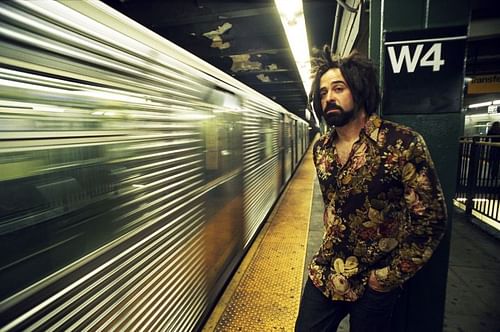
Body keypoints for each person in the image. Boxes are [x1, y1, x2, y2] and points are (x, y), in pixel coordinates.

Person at [295, 46, 448, 332]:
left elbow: (432, 220)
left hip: (375, 280)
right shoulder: (322, 151)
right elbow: (333, 205)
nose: (329, 97)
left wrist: (387, 277)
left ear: (359, 89)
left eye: (338, 88)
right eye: (323, 93)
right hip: (328, 269)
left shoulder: (402, 144)